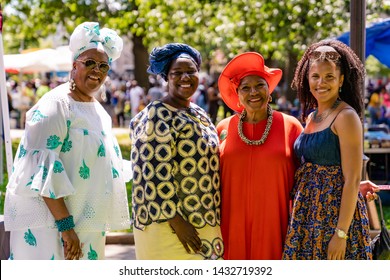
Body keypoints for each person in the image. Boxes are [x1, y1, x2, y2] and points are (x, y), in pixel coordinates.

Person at [4, 21, 130, 260]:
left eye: (104, 65)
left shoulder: (98, 110)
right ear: (74, 66)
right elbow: (41, 170)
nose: (97, 70)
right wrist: (66, 228)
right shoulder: (56, 104)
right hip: (53, 229)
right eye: (89, 62)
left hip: (86, 225)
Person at [129, 43, 224, 260]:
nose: (185, 77)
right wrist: (177, 222)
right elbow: (150, 173)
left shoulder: (199, 112)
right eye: (177, 73)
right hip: (170, 227)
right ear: (166, 78)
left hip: (206, 218)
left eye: (190, 71)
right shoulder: (157, 114)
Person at [282, 39, 372, 260]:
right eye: (315, 76)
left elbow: (351, 179)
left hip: (335, 218)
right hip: (307, 214)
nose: (321, 83)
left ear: (341, 80)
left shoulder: (346, 116)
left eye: (329, 76)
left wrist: (340, 234)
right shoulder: (312, 116)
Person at [217, 52, 304, 259]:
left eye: (260, 85)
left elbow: (310, 174)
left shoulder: (291, 126)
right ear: (237, 94)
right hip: (231, 226)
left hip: (277, 226)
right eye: (245, 88)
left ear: (269, 90)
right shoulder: (222, 128)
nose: (253, 92)